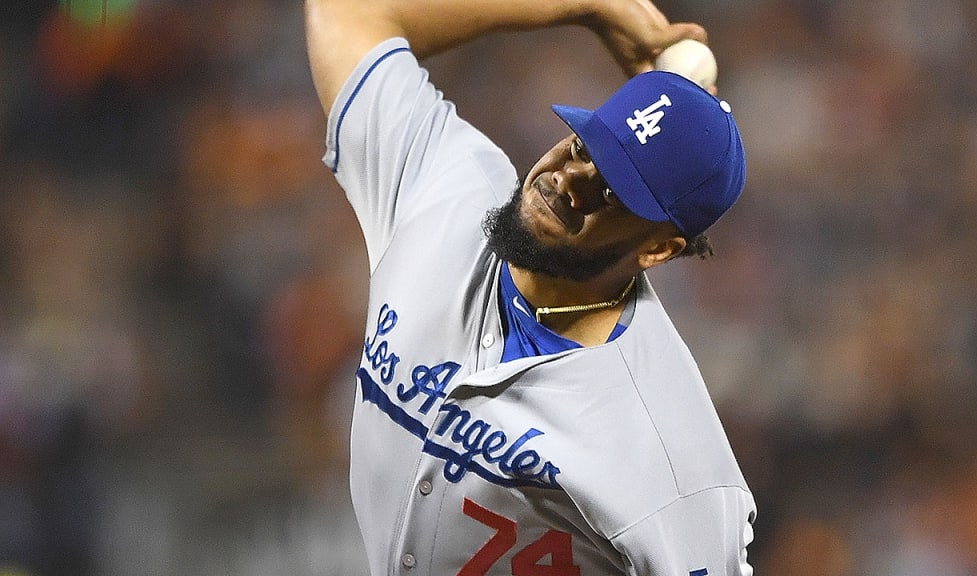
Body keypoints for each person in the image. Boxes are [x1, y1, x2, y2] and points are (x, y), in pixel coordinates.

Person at [304, 0, 756, 574]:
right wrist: (586, 7)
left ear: (658, 249)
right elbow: (350, 12)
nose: (568, 180)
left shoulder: (671, 461)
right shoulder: (446, 188)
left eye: (613, 190)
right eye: (584, 145)